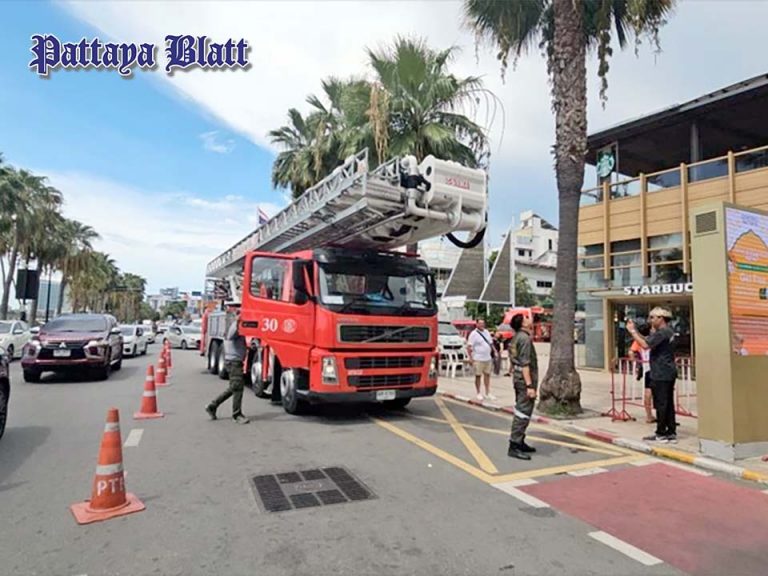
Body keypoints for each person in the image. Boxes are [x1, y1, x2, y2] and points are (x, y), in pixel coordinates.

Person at [627, 307, 677, 443]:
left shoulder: (662, 332)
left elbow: (645, 345)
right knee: (668, 403)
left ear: (661, 318)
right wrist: (638, 332)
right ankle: (670, 432)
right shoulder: (668, 332)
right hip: (667, 371)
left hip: (661, 372)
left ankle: (661, 433)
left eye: (653, 317)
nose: (650, 320)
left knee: (661, 403)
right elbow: (648, 340)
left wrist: (632, 331)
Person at [205, 309, 250, 424]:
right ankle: (236, 415)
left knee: (234, 387)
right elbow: (231, 336)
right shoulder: (234, 326)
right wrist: (238, 321)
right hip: (234, 362)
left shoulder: (237, 327)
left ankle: (213, 406)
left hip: (234, 361)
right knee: (237, 388)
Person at [507, 313, 538, 460]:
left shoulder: (516, 337)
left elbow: (513, 359)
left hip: (518, 378)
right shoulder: (524, 339)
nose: (529, 318)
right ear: (523, 324)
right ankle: (514, 445)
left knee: (522, 410)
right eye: (526, 318)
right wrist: (529, 386)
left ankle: (520, 441)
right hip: (524, 380)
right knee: (523, 412)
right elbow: (525, 364)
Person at [630, 322, 655, 423]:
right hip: (656, 368)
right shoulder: (654, 339)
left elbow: (631, 352)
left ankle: (649, 416)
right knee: (660, 393)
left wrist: (636, 363)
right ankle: (662, 416)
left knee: (648, 393)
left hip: (647, 368)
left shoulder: (638, 341)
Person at [467, 319, 497, 401]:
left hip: (487, 358)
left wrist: (494, 351)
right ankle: (478, 392)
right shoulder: (473, 334)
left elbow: (490, 343)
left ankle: (487, 392)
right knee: (478, 375)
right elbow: (469, 347)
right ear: (476, 324)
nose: (482, 325)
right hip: (478, 358)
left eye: (483, 323)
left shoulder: (486, 332)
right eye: (480, 323)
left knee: (487, 375)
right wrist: (470, 358)